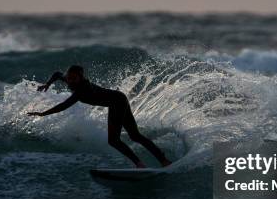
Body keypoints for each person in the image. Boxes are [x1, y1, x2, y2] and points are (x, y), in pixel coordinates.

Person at [28, 65, 171, 168]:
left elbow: (64, 105)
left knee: (115, 140)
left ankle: (143, 164)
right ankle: (162, 160)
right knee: (135, 136)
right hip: (119, 99)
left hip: (117, 102)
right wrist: (47, 84)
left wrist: (43, 114)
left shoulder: (83, 89)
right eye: (69, 78)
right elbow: (57, 73)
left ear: (81, 77)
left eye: (74, 78)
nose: (70, 81)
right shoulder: (69, 79)